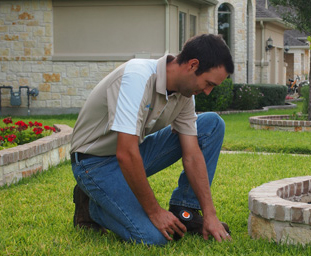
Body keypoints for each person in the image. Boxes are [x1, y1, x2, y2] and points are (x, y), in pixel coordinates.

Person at [70, 34, 234, 245]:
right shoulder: (137, 77)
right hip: (93, 163)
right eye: (209, 83)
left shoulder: (185, 95)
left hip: (131, 154)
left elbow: (192, 154)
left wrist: (210, 214)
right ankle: (93, 207)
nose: (208, 92)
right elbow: (126, 153)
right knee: (154, 238)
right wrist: (155, 211)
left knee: (210, 125)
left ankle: (187, 211)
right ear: (193, 65)